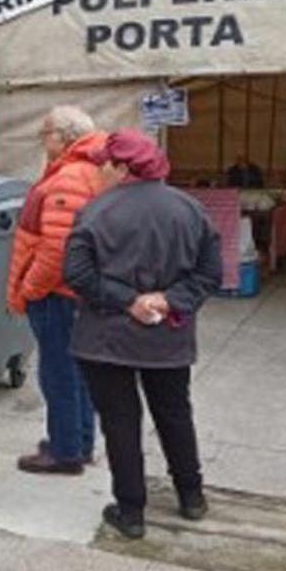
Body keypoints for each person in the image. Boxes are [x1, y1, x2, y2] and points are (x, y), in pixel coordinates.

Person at [63, 129, 222, 539]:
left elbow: (77, 274)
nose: (97, 171)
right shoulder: (190, 210)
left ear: (121, 167)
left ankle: (131, 511)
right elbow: (210, 274)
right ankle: (192, 496)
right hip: (168, 339)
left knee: (120, 422)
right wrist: (169, 299)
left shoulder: (95, 213)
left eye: (103, 164)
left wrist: (126, 300)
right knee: (175, 414)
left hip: (106, 340)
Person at [5, 106, 107, 474]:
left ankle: (65, 452)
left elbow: (57, 248)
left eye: (45, 132)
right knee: (78, 371)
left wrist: (30, 288)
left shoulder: (69, 177)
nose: (41, 140)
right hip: (75, 294)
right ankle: (78, 443)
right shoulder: (87, 171)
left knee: (59, 372)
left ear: (64, 136)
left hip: (58, 295)